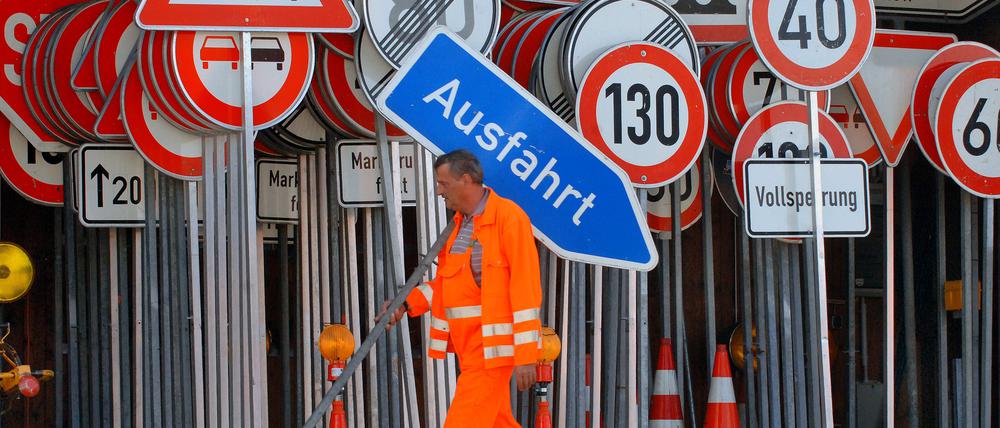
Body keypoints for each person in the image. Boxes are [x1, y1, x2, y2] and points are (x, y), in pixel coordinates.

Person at [381, 149, 542, 428]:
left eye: (444, 184)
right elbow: (446, 285)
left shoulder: (508, 219)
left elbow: (525, 289)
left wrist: (527, 356)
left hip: (490, 351)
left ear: (466, 180)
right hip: (470, 351)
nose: (439, 191)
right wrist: (406, 303)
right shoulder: (459, 226)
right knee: (498, 422)